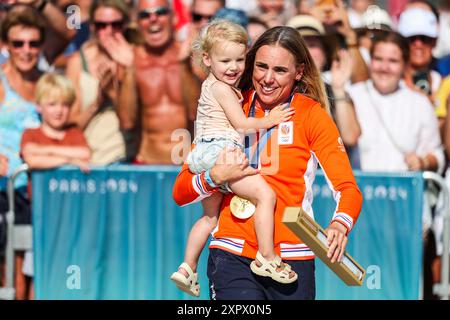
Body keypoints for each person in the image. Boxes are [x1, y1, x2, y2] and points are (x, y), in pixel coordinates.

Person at [173, 26, 363, 300]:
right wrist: (213, 177)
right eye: (261, 66)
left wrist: (339, 225)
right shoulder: (229, 103)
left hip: (292, 257)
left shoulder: (311, 115)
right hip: (231, 251)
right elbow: (180, 191)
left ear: (298, 72)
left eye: (280, 70)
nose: (268, 79)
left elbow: (347, 188)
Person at [170, 20, 296, 297]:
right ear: (206, 59)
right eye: (225, 60)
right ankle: (267, 257)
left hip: (202, 152)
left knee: (209, 218)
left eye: (240, 59)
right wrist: (272, 118)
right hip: (220, 152)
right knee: (265, 194)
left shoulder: (210, 85)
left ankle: (187, 267)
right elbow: (240, 123)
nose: (233, 67)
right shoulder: (223, 89)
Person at [118, 0, 201, 164]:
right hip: (147, 163)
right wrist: (129, 69)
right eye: (145, 15)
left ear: (174, 18)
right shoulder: (129, 59)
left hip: (188, 164)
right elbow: (127, 121)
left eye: (161, 12)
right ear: (137, 22)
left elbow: (195, 114)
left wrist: (183, 65)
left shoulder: (192, 57)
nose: (153, 19)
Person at [0, 5, 43, 300]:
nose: (26, 50)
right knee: (8, 263)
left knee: (31, 267)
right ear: (7, 46)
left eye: (33, 43)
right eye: (18, 43)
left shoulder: (47, 82)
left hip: (35, 190)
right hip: (4, 188)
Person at [66, 0, 133, 164]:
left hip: (127, 157)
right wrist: (98, 101)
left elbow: (139, 120)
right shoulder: (77, 62)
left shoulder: (136, 56)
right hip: (90, 161)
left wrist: (129, 69)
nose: (108, 31)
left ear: (124, 25)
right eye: (101, 25)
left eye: (115, 25)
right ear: (92, 27)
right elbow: (70, 125)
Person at [21, 73, 91, 172]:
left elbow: (85, 153)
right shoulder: (31, 134)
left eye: (65, 104)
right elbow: (32, 160)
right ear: (38, 106)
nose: (59, 110)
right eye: (52, 104)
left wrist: (42, 150)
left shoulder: (74, 133)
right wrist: (68, 160)